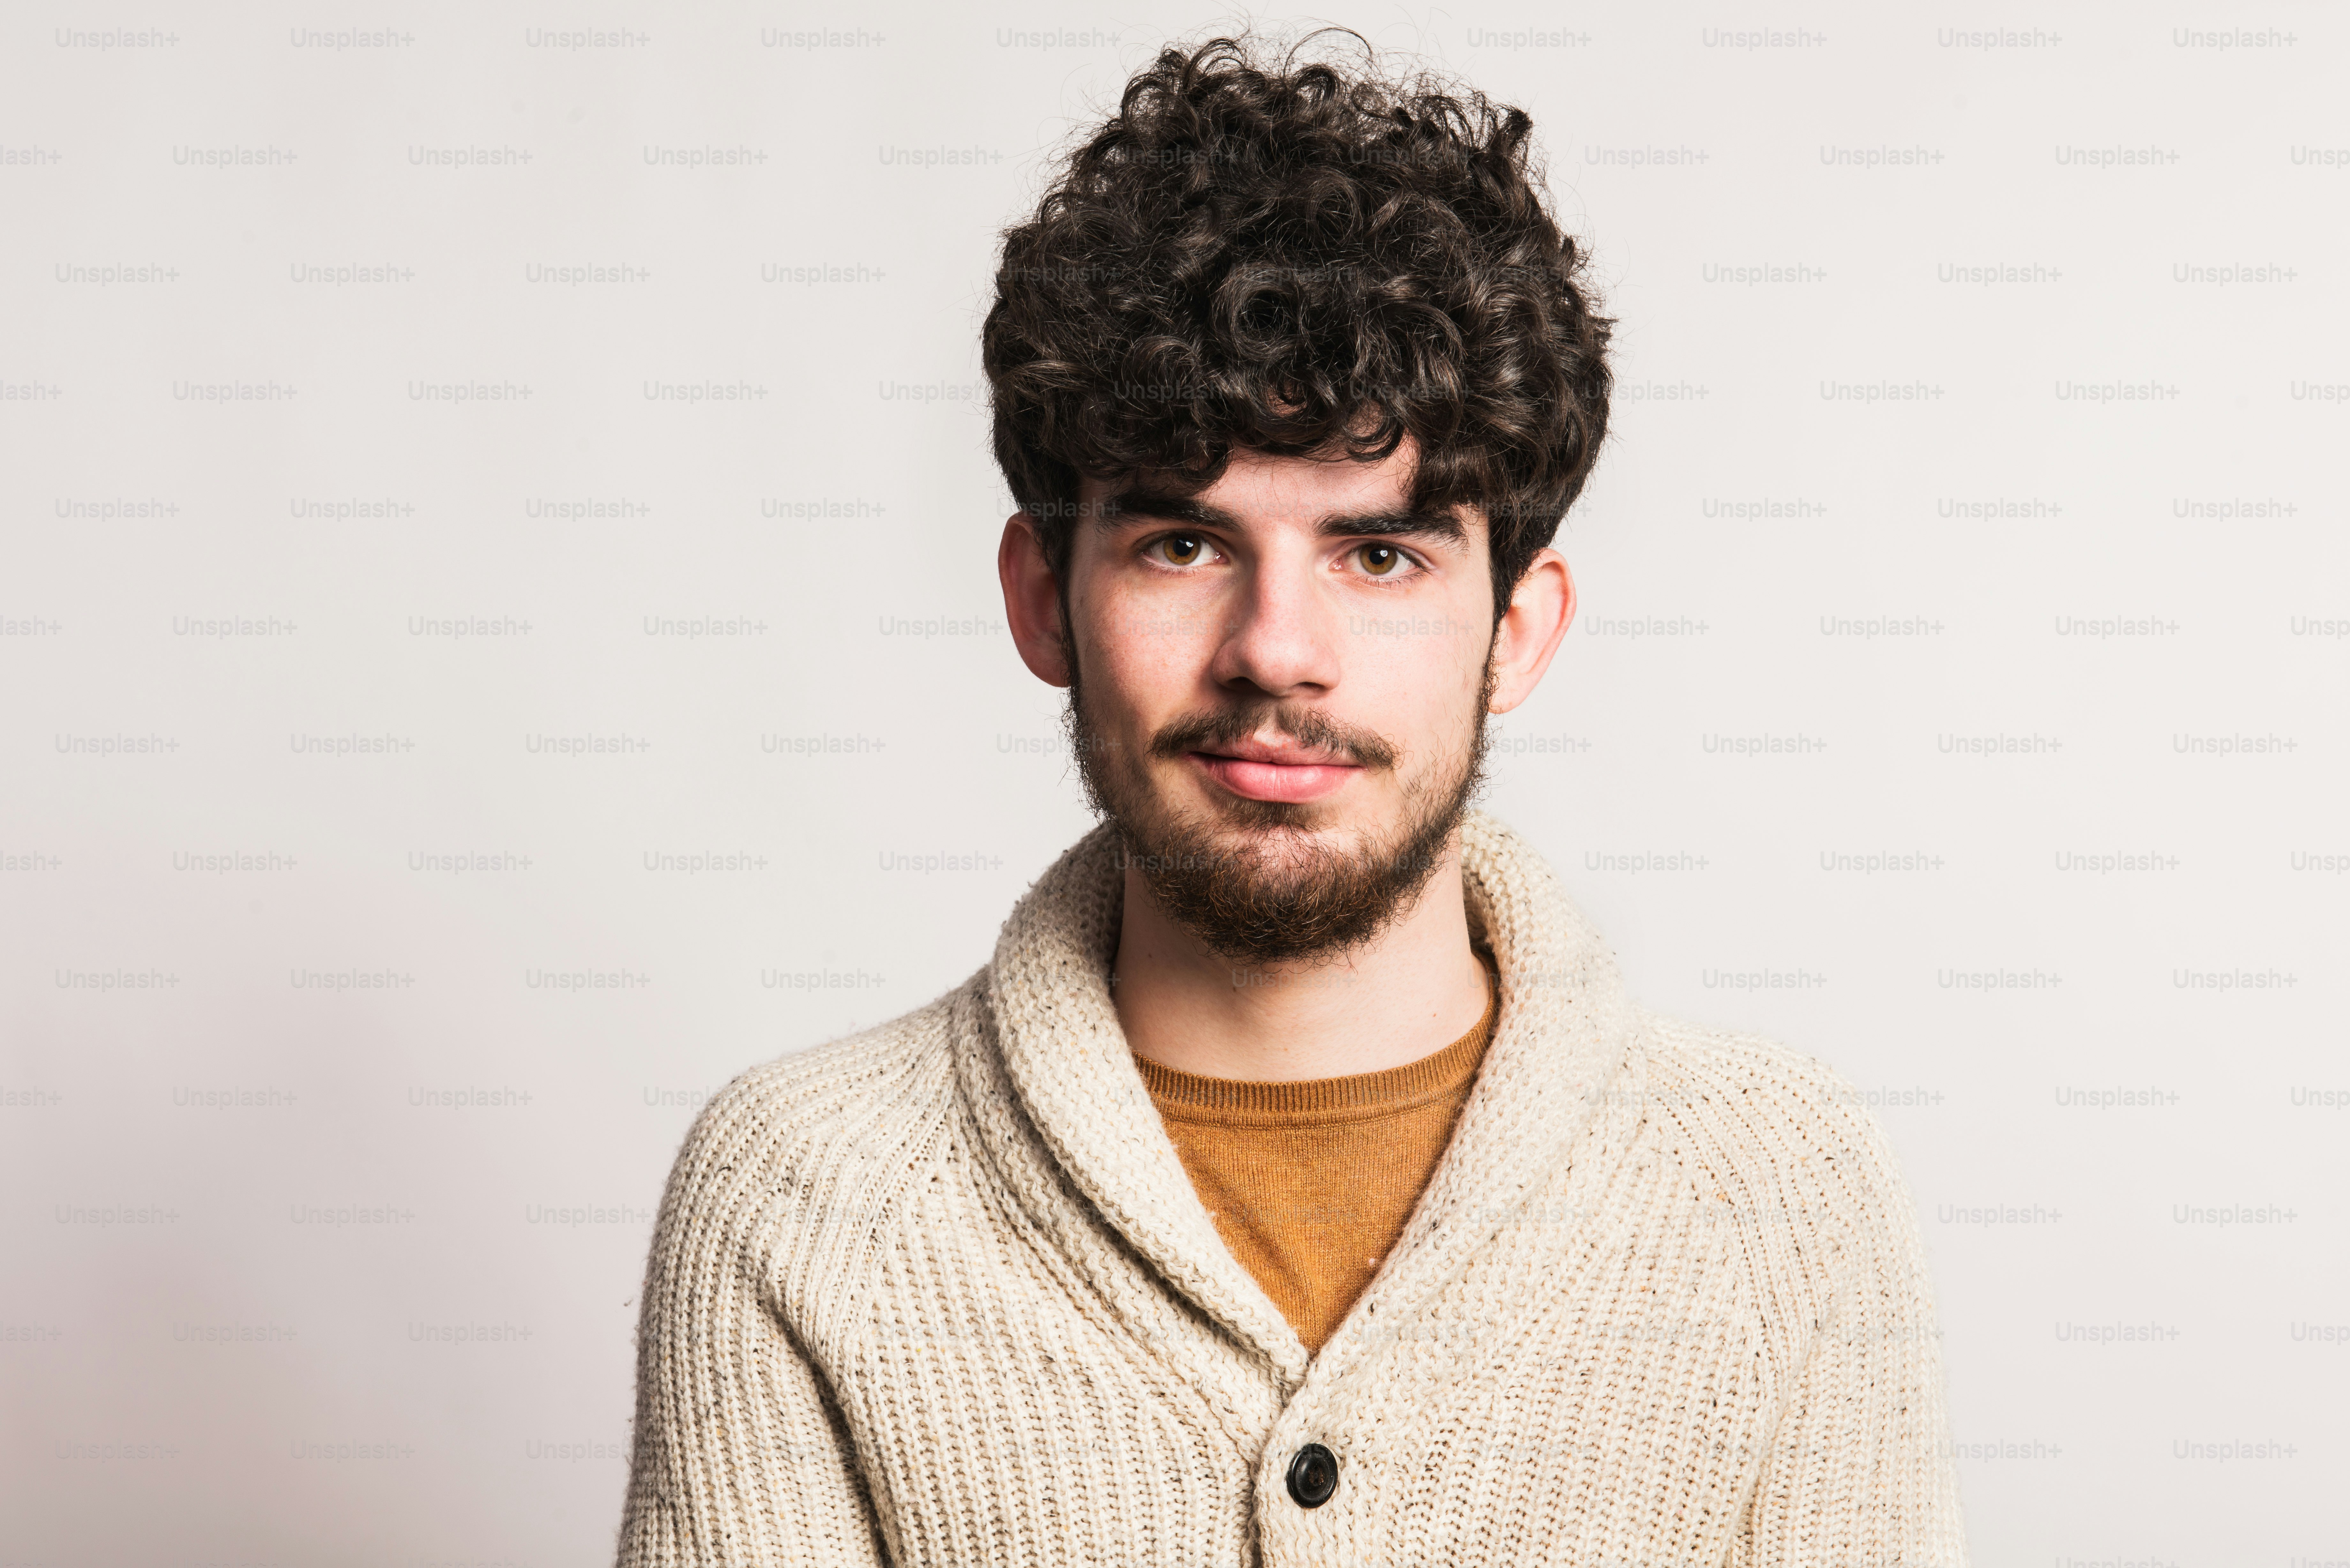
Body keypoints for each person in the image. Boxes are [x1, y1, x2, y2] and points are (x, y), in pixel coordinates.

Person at [618, 33, 1966, 1567]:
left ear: (1515, 633)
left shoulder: (1779, 1188)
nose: (1276, 648)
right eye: (1182, 545)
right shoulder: (803, 1197)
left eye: (1378, 555)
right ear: (1043, 598)